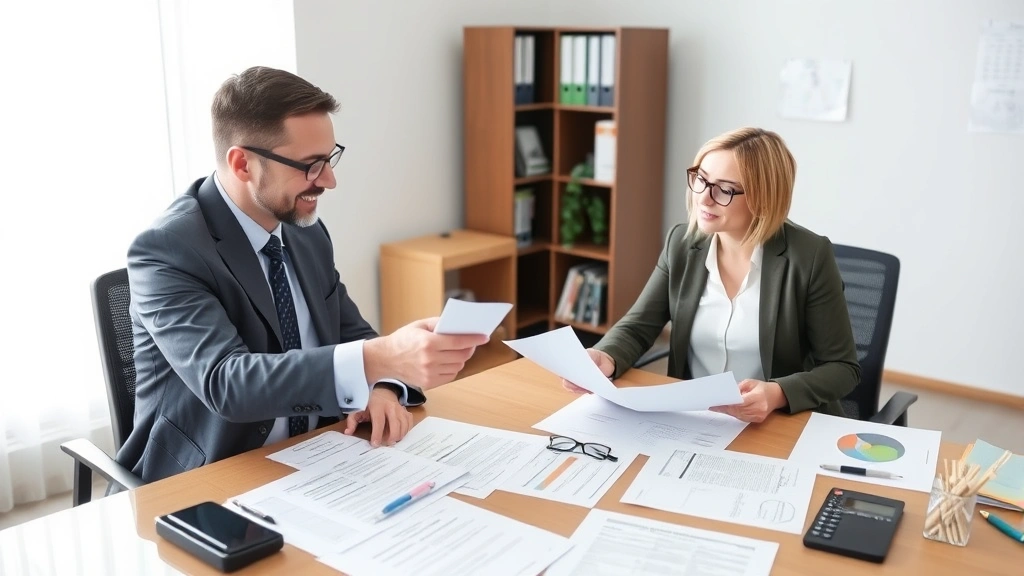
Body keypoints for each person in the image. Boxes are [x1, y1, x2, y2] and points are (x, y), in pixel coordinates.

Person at [116, 66, 488, 484]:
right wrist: (382, 358)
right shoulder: (167, 250)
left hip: (318, 455)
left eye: (329, 158)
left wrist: (382, 386)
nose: (329, 180)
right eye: (310, 165)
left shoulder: (303, 230)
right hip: (211, 474)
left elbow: (352, 334)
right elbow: (228, 383)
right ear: (242, 164)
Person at [562, 127, 860, 422]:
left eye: (725, 190)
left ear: (764, 198)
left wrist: (778, 393)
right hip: (694, 419)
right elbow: (638, 326)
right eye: (701, 180)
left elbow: (842, 368)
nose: (704, 198)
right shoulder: (681, 244)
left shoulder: (809, 257)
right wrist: (606, 356)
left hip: (776, 422)